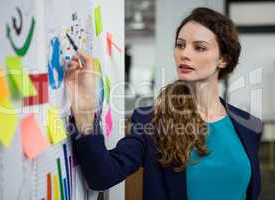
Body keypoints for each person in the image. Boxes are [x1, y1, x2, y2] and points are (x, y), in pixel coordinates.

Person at [64, 7, 262, 200]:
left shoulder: (248, 125)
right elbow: (102, 176)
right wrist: (85, 110)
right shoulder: (151, 120)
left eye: (199, 47)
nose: (184, 53)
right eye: (180, 45)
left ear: (223, 59)